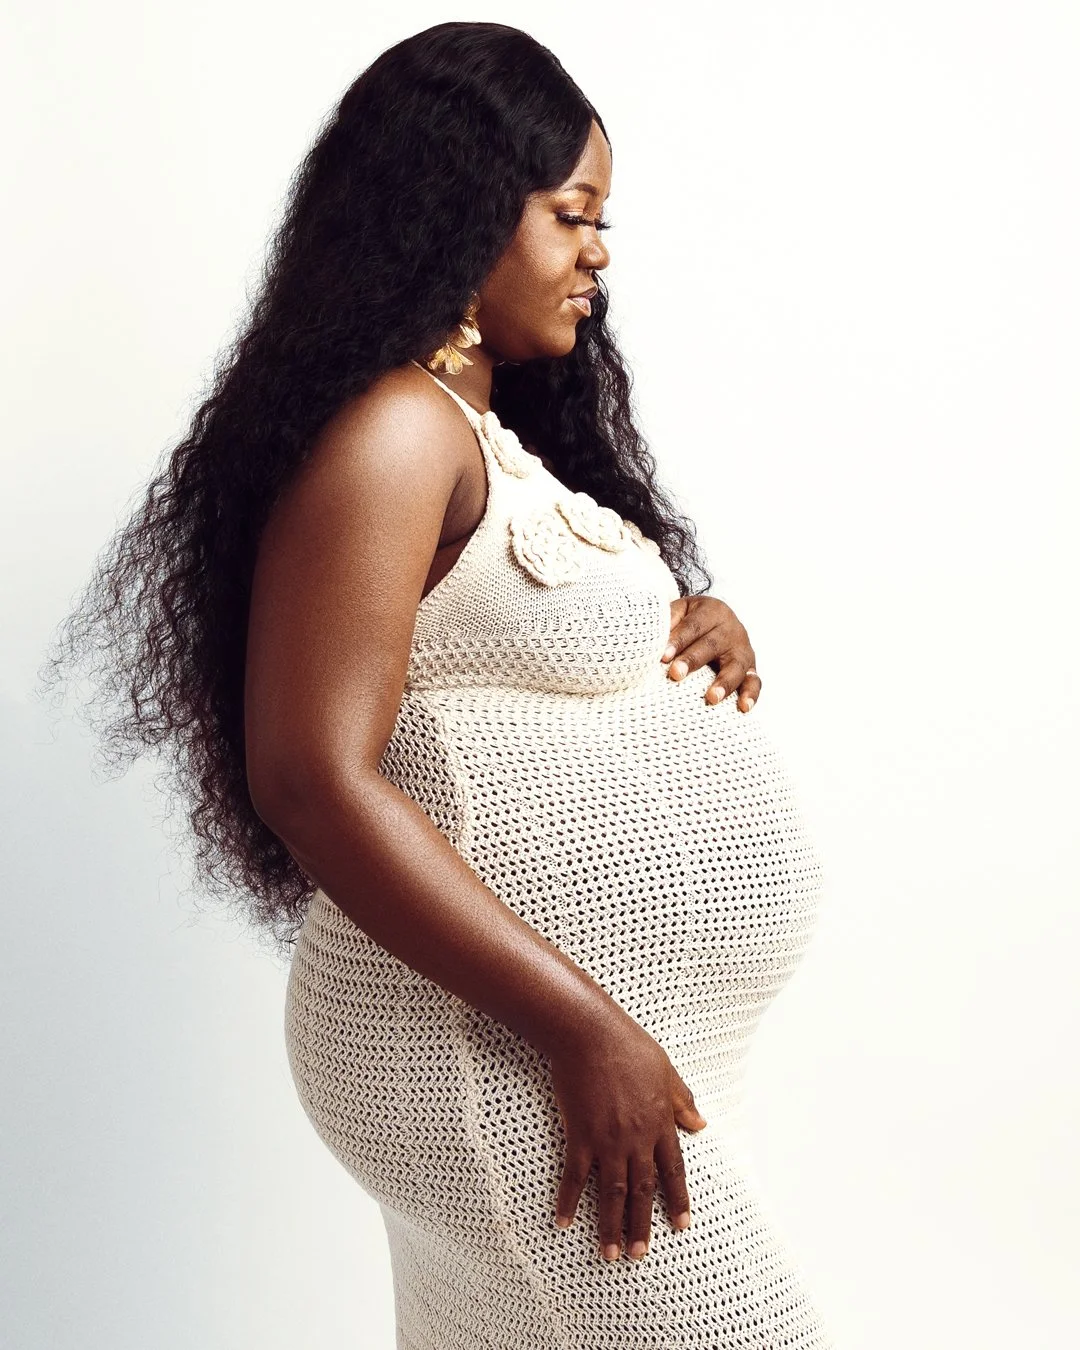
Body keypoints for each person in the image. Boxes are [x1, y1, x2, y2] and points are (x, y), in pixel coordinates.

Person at [40, 20, 834, 1350]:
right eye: (573, 214)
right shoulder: (398, 428)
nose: (600, 253)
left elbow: (495, 647)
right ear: (464, 207)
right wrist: (586, 1029)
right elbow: (309, 770)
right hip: (510, 1047)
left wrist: (690, 621)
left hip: (579, 1051)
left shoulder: (482, 438)